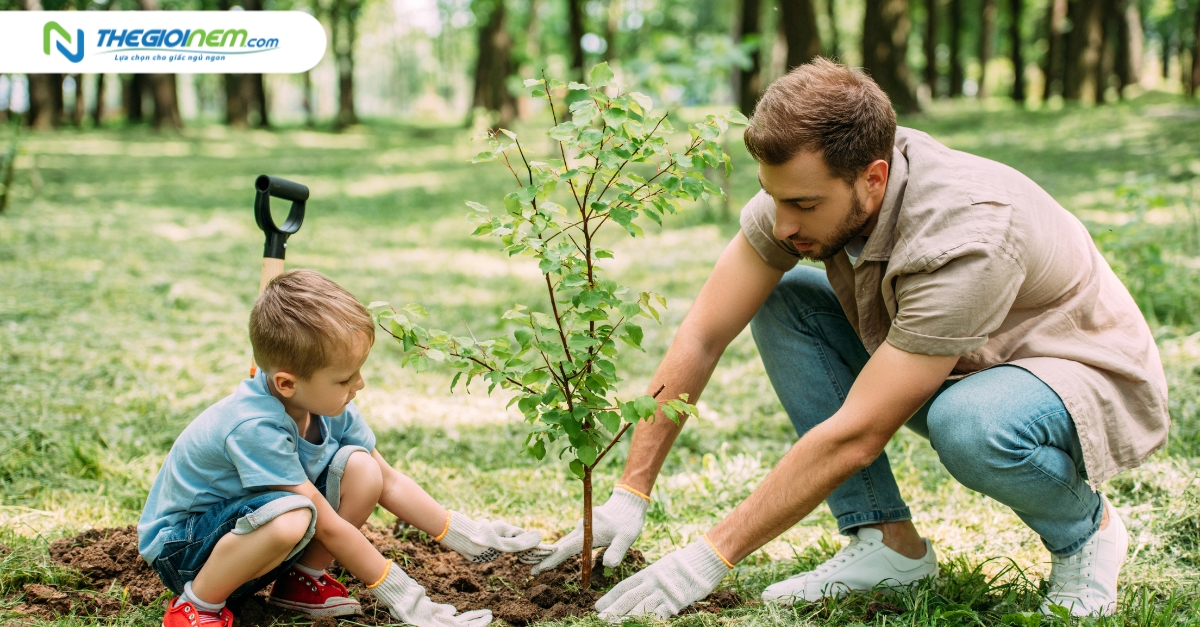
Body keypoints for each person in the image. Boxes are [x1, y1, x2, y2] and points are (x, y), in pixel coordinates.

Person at [532, 59, 1168, 619]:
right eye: (772, 198)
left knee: (968, 423)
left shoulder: (967, 234)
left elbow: (860, 434)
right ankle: (887, 546)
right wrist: (629, 492)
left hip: (1072, 372)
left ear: (873, 177)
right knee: (784, 301)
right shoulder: (802, 191)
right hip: (958, 356)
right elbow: (702, 332)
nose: (783, 224)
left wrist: (708, 557)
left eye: (804, 206)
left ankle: (1087, 533)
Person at [138, 269, 549, 627]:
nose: (359, 385)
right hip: (186, 549)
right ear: (286, 384)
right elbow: (326, 522)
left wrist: (467, 536)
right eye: (344, 378)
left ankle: (300, 581)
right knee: (296, 514)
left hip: (250, 533)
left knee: (362, 469)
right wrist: (405, 596)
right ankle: (196, 606)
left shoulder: (325, 405)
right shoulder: (254, 425)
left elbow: (386, 480)